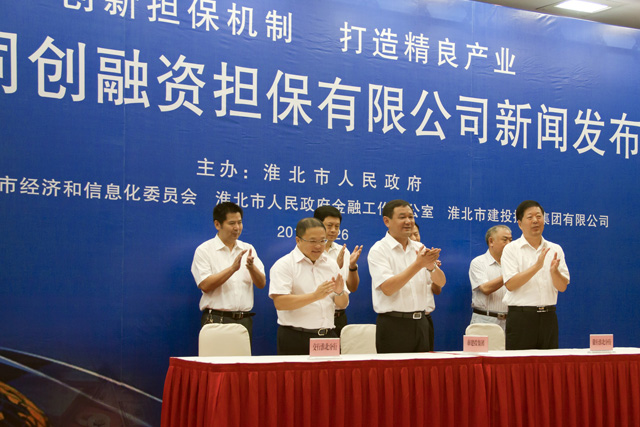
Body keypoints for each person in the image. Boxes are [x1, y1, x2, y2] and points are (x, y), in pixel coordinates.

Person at [368, 200, 446, 353]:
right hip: (394, 325)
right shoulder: (379, 250)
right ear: (387, 221)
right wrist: (418, 265)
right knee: (395, 369)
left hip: (421, 323)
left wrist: (431, 266)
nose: (408, 221)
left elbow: (441, 282)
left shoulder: (419, 248)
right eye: (402, 217)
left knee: (423, 368)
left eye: (411, 216)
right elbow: (388, 288)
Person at [269, 218, 349, 355]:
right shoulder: (284, 265)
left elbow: (343, 304)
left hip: (327, 337)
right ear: (298, 240)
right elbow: (280, 303)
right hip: (295, 337)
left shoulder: (331, 264)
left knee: (330, 370)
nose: (318, 246)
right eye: (312, 241)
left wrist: (339, 293)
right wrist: (315, 296)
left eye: (322, 241)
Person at [191, 202, 266, 342]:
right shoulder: (204, 250)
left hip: (244, 321)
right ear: (217, 224)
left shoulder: (248, 248)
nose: (237, 228)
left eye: (239, 222)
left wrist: (251, 268)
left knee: (242, 358)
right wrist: (232, 269)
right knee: (215, 357)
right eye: (232, 223)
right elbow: (205, 285)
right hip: (216, 320)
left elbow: (261, 284)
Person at [501, 200, 570, 350]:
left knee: (549, 363)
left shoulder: (555, 249)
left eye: (539, 216)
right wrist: (537, 266)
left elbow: (562, 287)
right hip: (521, 319)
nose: (535, 221)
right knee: (520, 364)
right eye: (530, 217)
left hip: (548, 317)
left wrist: (555, 272)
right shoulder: (511, 249)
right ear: (520, 224)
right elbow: (511, 284)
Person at [313, 205, 362, 336]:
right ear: (317, 225)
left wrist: (352, 267)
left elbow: (352, 287)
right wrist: (335, 267)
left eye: (337, 226)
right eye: (329, 226)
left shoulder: (343, 251)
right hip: (315, 318)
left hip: (339, 316)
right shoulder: (310, 252)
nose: (333, 230)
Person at [469, 225, 513, 330]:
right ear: (491, 241)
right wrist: (510, 274)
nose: (509, 244)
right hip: (485, 320)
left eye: (510, 240)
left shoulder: (512, 264)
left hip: (510, 321)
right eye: (505, 240)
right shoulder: (479, 262)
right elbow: (485, 289)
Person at [412, 221, 443, 296]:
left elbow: (437, 291)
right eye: (409, 235)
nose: (414, 238)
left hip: (426, 303)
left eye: (416, 234)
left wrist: (433, 269)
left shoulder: (426, 254)